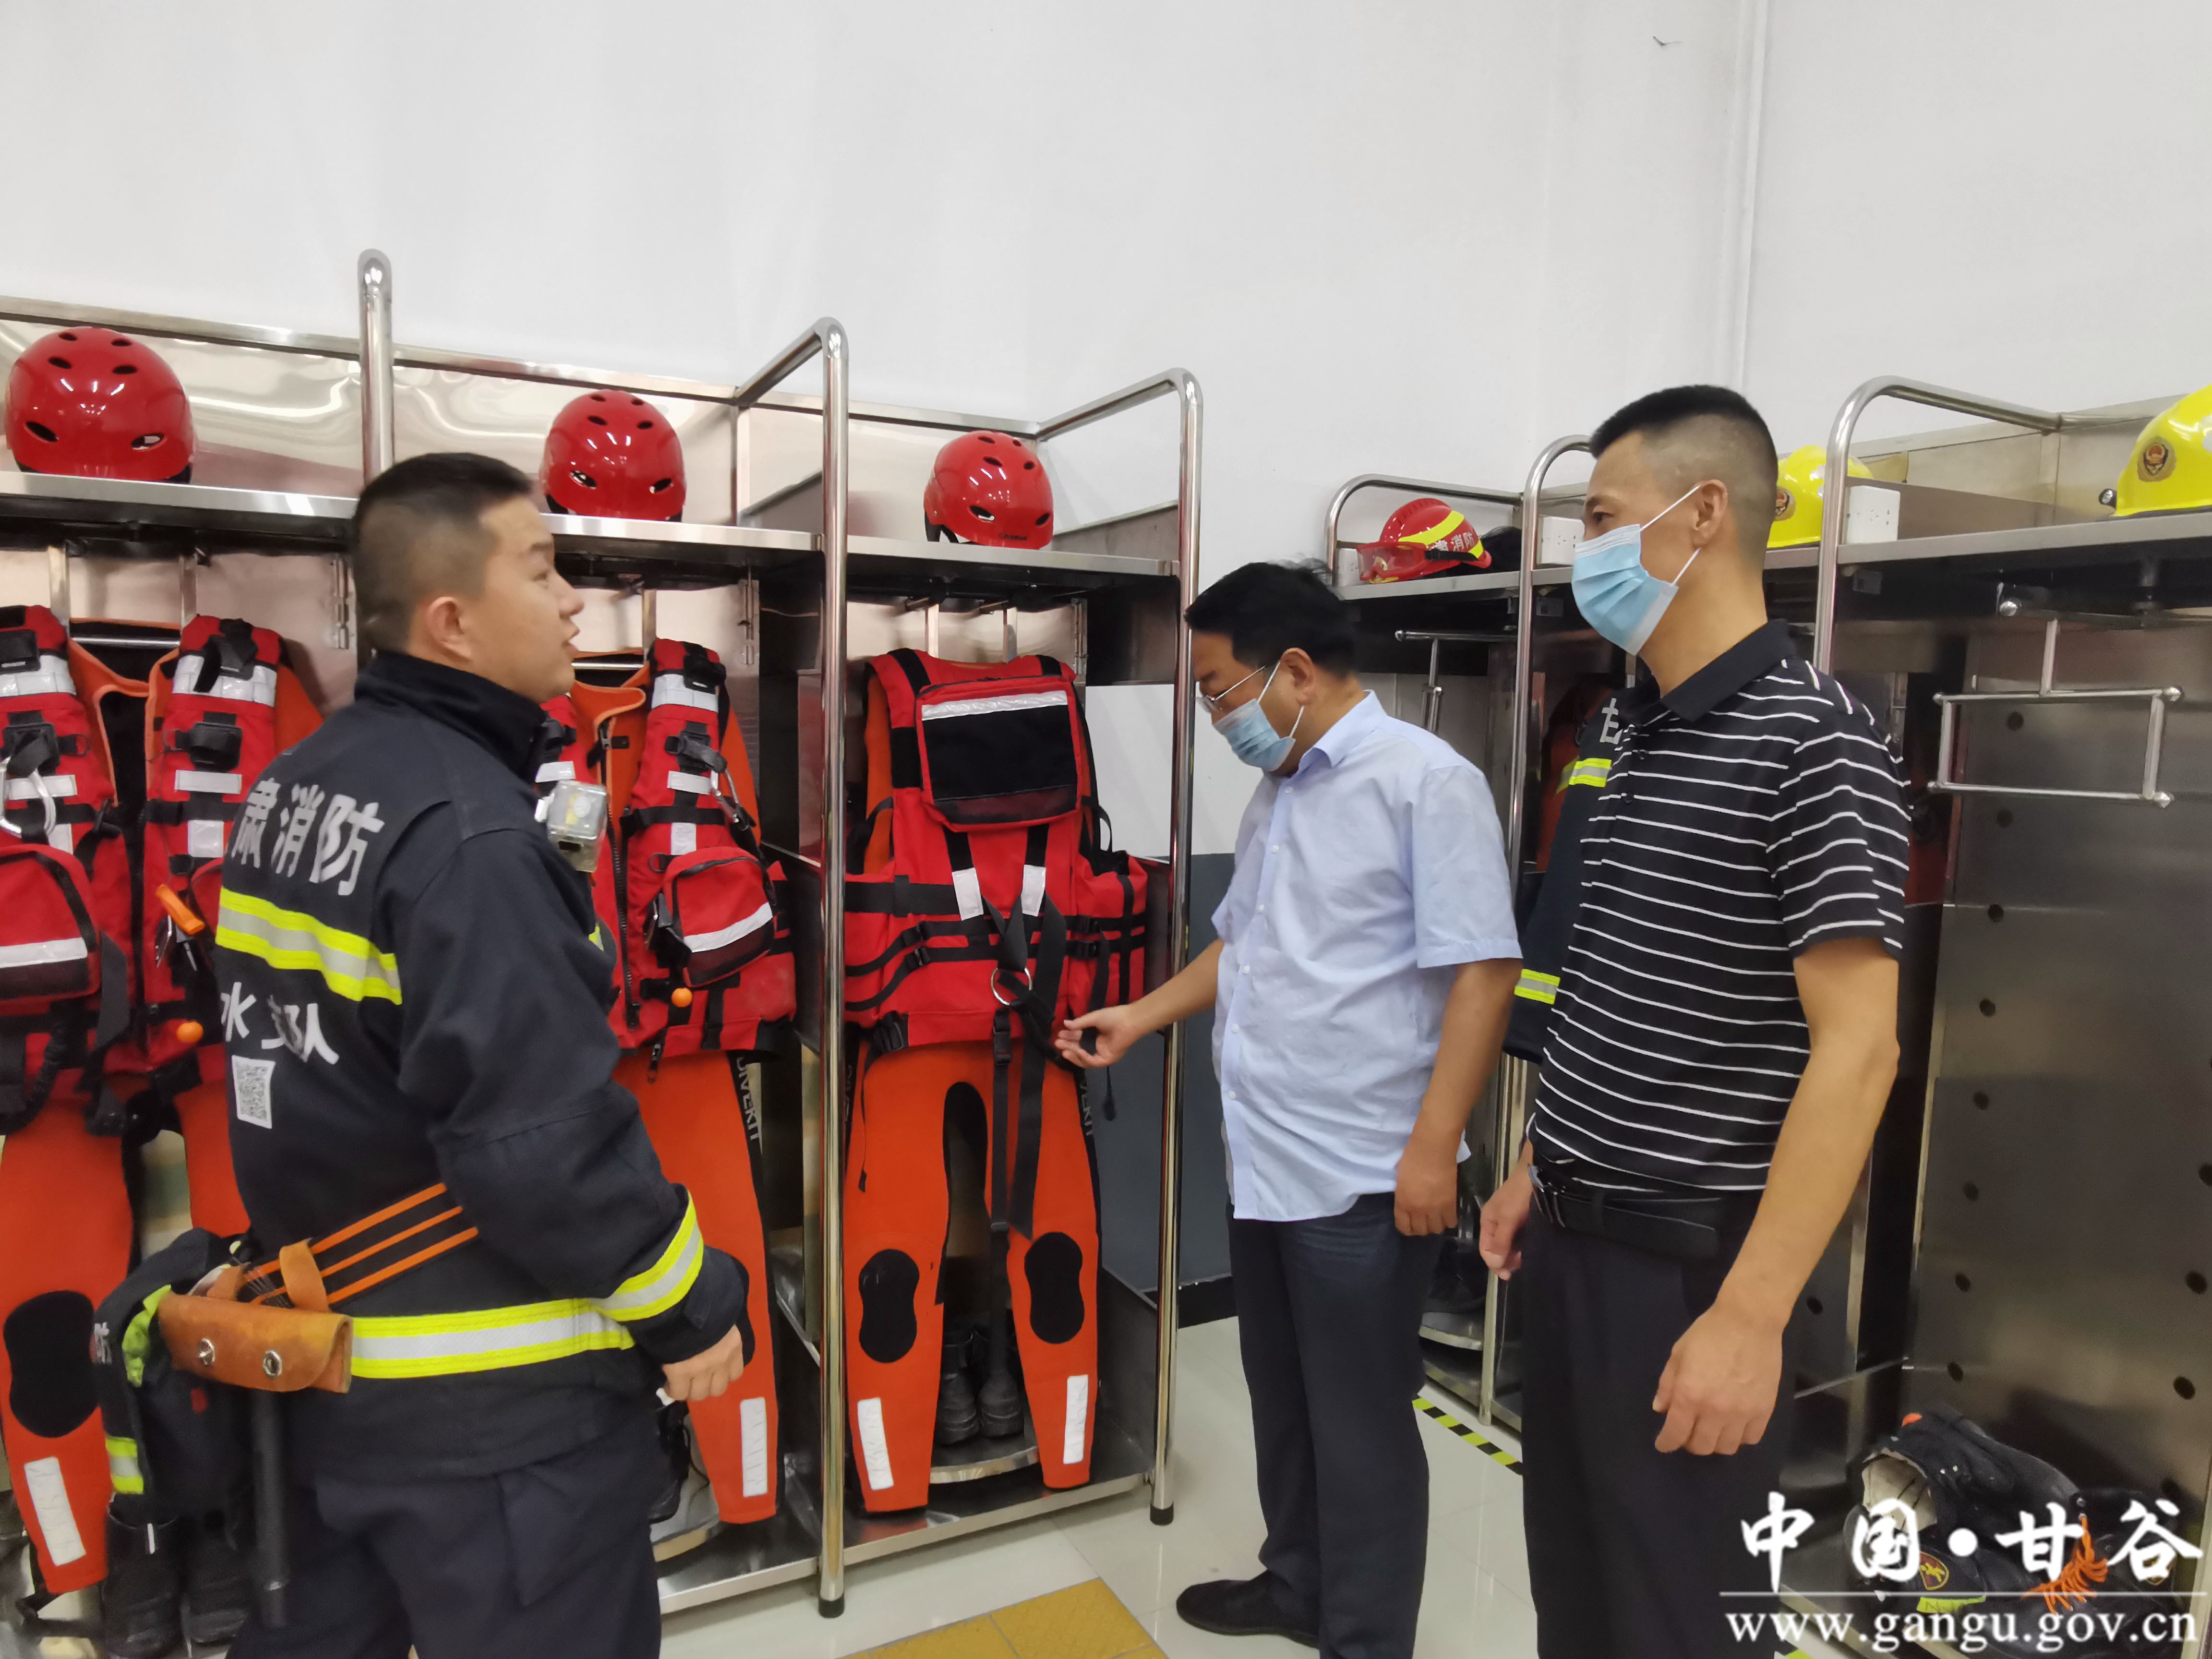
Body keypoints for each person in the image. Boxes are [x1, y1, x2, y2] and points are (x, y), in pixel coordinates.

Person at [215, 453, 748, 1659]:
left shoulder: (292, 789)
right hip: (497, 1429)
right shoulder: (471, 836)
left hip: (325, 1392)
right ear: (452, 622)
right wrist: (694, 1308)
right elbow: (539, 1148)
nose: (573, 601)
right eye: (543, 570)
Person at [1479, 386, 1905, 1658]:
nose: (1586, 552)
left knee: (1678, 1618)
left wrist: (1752, 1318)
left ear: (1703, 513)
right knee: (1578, 1597)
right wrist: (1539, 1161)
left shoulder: (1817, 743)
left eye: (1603, 517)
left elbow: (1860, 1050)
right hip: (1573, 1242)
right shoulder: (1629, 725)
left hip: (1687, 1269)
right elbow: (1611, 978)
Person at [1061, 561, 1520, 1659]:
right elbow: (1246, 944)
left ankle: (1365, 1636)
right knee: (1285, 1397)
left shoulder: (1427, 784)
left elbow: (1485, 973)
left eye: (1220, 690)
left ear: (1297, 673)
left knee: (1360, 1421)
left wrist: (1434, 1152)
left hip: (1366, 1174)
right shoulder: (1286, 786)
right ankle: (1300, 1585)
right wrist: (1141, 1016)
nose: (1217, 715)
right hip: (1267, 1161)